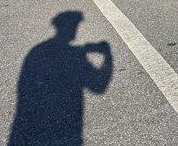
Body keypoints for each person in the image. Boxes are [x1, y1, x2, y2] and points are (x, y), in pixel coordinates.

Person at [8, 11, 113, 146]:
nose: (76, 28)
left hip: (25, 133)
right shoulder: (74, 56)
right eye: (75, 25)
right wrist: (107, 56)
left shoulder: (37, 51)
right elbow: (99, 86)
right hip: (65, 134)